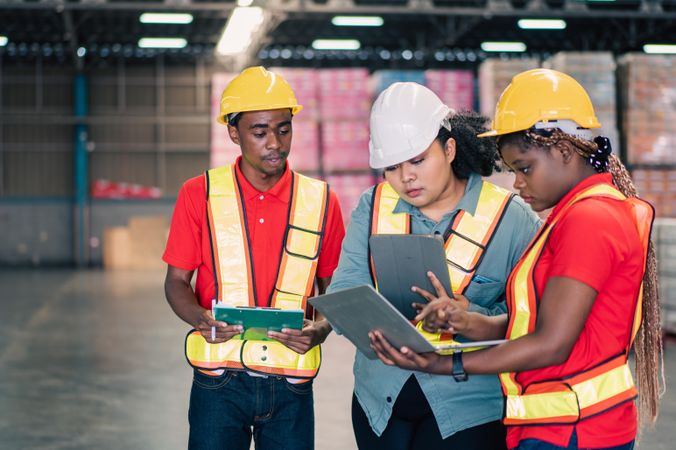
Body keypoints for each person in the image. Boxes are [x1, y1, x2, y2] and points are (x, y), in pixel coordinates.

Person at [369, 68, 664, 450]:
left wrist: (446, 364)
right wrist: (471, 322)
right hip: (565, 426)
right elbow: (543, 322)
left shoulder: (590, 219)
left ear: (563, 150)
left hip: (573, 431)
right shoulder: (573, 215)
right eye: (512, 172)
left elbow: (552, 343)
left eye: (524, 169)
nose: (518, 184)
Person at [326, 82, 541, 450]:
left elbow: (531, 318)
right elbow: (346, 288)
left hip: (468, 407)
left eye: (417, 160)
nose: (405, 177)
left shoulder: (512, 219)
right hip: (380, 399)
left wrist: (468, 314)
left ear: (450, 148)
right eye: (391, 167)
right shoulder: (372, 206)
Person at [162, 66, 345, 450]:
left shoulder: (321, 201)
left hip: (290, 385)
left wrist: (321, 330)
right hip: (219, 383)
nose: (275, 143)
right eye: (259, 132)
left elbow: (336, 290)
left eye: (283, 129)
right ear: (234, 132)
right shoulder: (200, 194)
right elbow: (177, 281)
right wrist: (200, 319)